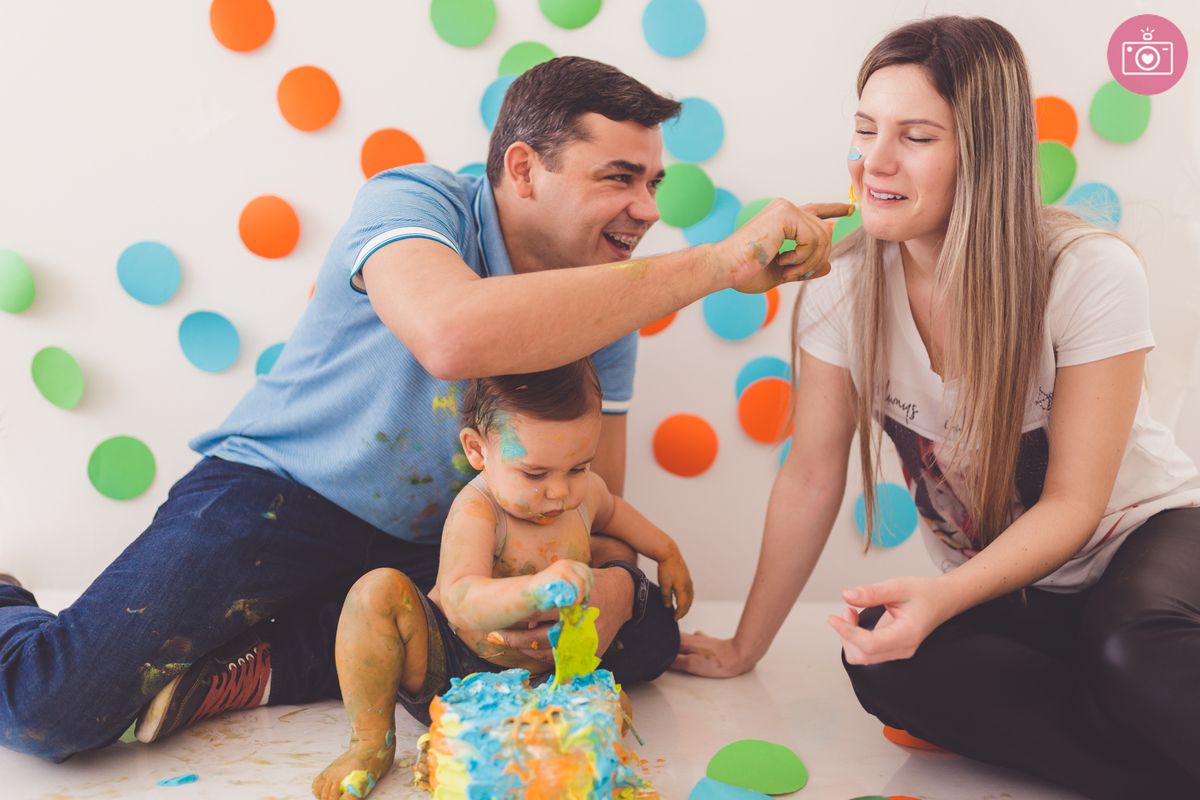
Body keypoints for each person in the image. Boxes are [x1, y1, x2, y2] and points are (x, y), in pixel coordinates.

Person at [0, 55, 847, 761]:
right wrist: (715, 265)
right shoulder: (413, 200)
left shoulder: (607, 299)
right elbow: (450, 335)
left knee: (643, 636)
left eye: (653, 182)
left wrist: (613, 586)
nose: (649, 210)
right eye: (620, 178)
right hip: (279, 495)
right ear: (524, 169)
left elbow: (590, 498)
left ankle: (267, 660)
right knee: (53, 709)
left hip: (438, 540)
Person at [671, 16, 1200, 800]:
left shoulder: (1086, 273)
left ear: (984, 154)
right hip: (1011, 586)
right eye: (865, 130)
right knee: (880, 659)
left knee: (1130, 649)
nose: (874, 161)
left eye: (915, 137)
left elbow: (1075, 503)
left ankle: (1130, 684)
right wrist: (747, 643)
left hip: (1142, 543)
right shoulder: (844, 286)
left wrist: (946, 596)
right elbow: (811, 476)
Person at [311, 359, 692, 799]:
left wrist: (667, 552)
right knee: (374, 592)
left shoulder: (582, 495)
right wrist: (534, 590)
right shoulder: (479, 509)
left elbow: (615, 513)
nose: (560, 491)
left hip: (549, 677)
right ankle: (369, 743)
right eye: (535, 474)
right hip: (456, 666)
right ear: (477, 451)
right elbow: (460, 600)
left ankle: (549, 749)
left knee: (618, 702)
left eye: (578, 467)